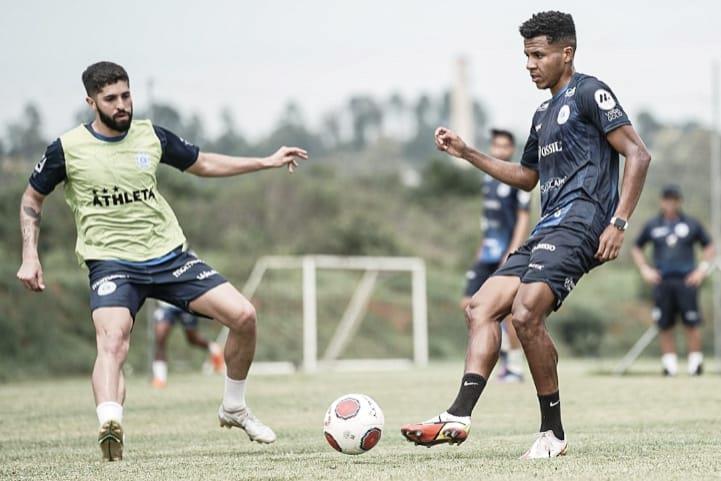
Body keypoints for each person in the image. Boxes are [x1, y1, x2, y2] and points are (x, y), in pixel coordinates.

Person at [16, 61, 308, 461]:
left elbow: (203, 163)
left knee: (244, 316)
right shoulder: (66, 149)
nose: (122, 105)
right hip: (112, 263)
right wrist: (30, 254)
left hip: (170, 257)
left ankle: (234, 407)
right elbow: (32, 198)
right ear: (91, 102)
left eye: (126, 95)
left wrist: (265, 161)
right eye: (111, 99)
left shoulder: (150, 135)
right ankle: (110, 423)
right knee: (112, 342)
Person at [401, 11, 651, 459]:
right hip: (548, 225)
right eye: (526, 56)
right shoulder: (541, 114)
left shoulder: (590, 92)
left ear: (566, 52)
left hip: (584, 220)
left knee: (525, 312)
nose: (530, 64)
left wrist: (619, 221)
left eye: (539, 54)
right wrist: (467, 153)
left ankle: (552, 433)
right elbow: (526, 177)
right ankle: (458, 415)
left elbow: (638, 153)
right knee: (480, 307)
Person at [461, 129, 530, 382]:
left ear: (511, 149)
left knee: (510, 313)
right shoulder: (488, 180)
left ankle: (514, 366)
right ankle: (498, 352)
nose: (500, 150)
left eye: (504, 146)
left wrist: (512, 251)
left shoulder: (519, 178)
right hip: (487, 252)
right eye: (496, 145)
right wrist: (481, 248)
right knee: (469, 305)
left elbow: (523, 217)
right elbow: (487, 221)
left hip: (505, 254)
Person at [631, 185, 715, 376]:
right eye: (667, 199)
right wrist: (645, 269)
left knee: (691, 323)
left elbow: (709, 246)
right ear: (662, 201)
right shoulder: (653, 225)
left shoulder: (692, 224)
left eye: (674, 200)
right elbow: (637, 248)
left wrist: (702, 270)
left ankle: (695, 365)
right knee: (665, 324)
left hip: (687, 281)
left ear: (679, 202)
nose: (670, 204)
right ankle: (670, 366)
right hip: (663, 281)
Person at [151, 300, 225, 389]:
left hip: (184, 301)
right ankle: (160, 379)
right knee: (160, 338)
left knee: (192, 339)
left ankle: (214, 349)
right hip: (165, 304)